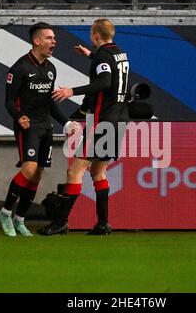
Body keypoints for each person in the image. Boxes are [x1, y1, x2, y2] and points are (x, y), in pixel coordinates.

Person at [39, 18, 130, 236]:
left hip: (103, 121)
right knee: (99, 171)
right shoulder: (120, 53)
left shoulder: (103, 56)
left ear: (95, 35)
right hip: (120, 119)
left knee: (75, 170)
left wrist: (72, 91)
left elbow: (105, 81)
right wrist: (91, 55)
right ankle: (103, 224)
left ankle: (60, 222)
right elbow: (111, 70)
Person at [0, 22, 79, 237]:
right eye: (49, 38)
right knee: (29, 169)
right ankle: (5, 212)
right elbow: (9, 100)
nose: (54, 41)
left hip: (46, 127)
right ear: (37, 41)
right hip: (28, 127)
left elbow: (50, 102)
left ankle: (20, 219)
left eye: (54, 38)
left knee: (37, 174)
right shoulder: (20, 68)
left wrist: (67, 122)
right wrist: (18, 117)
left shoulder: (51, 69)